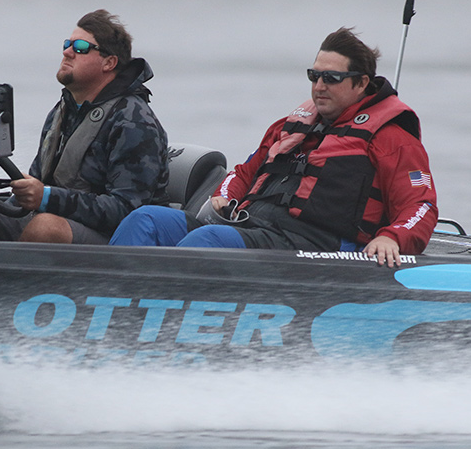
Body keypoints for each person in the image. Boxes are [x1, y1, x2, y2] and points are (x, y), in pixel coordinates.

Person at [109, 27, 438, 268]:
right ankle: (101, 303)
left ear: (361, 83)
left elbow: (420, 206)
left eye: (331, 78)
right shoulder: (290, 126)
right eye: (314, 76)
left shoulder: (391, 138)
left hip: (311, 244)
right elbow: (243, 172)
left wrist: (392, 237)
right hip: (254, 227)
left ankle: (157, 315)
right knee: (146, 220)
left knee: (206, 242)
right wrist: (225, 194)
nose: (319, 86)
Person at [0, 9, 169, 244]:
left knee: (45, 229)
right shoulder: (61, 112)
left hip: (116, 239)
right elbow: (39, 181)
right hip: (59, 219)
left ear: (109, 62)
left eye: (80, 47)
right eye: (67, 44)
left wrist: (47, 198)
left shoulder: (133, 121)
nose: (67, 52)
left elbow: (127, 210)